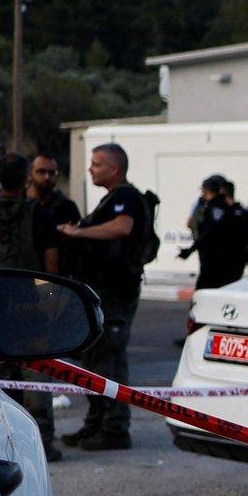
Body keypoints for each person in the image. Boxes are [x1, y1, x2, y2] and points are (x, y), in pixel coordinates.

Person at [56, 142, 150, 452]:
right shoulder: (110, 199)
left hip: (116, 293)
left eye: (96, 164)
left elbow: (123, 228)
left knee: (110, 361)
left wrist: (79, 233)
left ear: (114, 168)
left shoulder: (127, 198)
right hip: (100, 292)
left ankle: (115, 428)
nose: (90, 170)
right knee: (94, 361)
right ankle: (95, 423)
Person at [0, 153, 57, 460]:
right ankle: (42, 441)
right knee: (37, 375)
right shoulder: (39, 214)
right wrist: (51, 304)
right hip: (29, 308)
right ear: (27, 178)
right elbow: (50, 266)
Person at [179, 175, 248, 292]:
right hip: (226, 259)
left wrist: (191, 249)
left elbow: (209, 233)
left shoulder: (216, 208)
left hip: (216, 260)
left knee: (204, 292)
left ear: (207, 190)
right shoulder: (226, 207)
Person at [27, 154, 79, 276]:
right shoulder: (21, 205)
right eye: (41, 171)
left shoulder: (67, 207)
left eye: (52, 173)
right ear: (30, 173)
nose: (47, 177)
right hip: (24, 274)